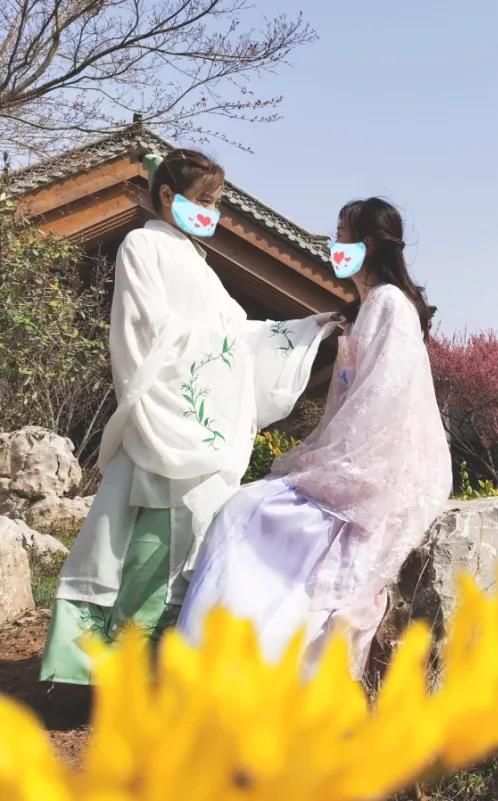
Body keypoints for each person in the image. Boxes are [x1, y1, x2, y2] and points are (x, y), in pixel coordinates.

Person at [40, 149, 339, 685]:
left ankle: (142, 673)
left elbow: (238, 330)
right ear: (166, 197)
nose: (213, 212)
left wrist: (299, 331)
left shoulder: (192, 259)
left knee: (177, 556)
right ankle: (107, 674)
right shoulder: (143, 246)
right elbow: (144, 330)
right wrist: (224, 342)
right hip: (167, 416)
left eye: (217, 203)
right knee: (142, 554)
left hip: (198, 428)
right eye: (204, 201)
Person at [178, 197, 451, 679]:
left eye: (341, 235)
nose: (333, 245)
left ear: (365, 244)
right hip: (355, 450)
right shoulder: (366, 307)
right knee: (246, 509)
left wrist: (331, 459)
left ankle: (239, 661)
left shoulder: (389, 304)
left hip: (381, 461)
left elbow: (385, 401)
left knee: (246, 510)